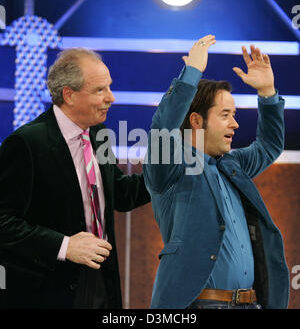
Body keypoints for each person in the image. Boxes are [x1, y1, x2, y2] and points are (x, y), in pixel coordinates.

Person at [143, 35, 290, 309]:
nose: (235, 124)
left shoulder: (232, 165)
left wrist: (268, 93)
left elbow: (270, 145)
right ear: (196, 120)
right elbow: (162, 131)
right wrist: (191, 75)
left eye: (233, 114)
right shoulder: (170, 168)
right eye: (225, 115)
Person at [0, 48, 150, 309]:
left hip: (101, 280)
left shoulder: (99, 133)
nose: (111, 98)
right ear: (68, 94)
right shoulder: (26, 143)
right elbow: (3, 221)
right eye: (100, 90)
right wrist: (65, 245)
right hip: (48, 290)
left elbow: (121, 194)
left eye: (109, 88)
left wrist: (167, 172)